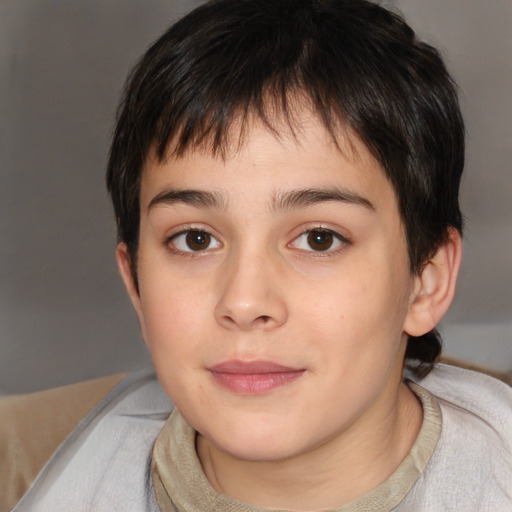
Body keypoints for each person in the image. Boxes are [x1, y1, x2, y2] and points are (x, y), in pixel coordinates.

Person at [3, 0, 511, 510]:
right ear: (136, 282)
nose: (245, 302)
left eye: (319, 239)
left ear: (425, 279)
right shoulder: (31, 471)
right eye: (195, 239)